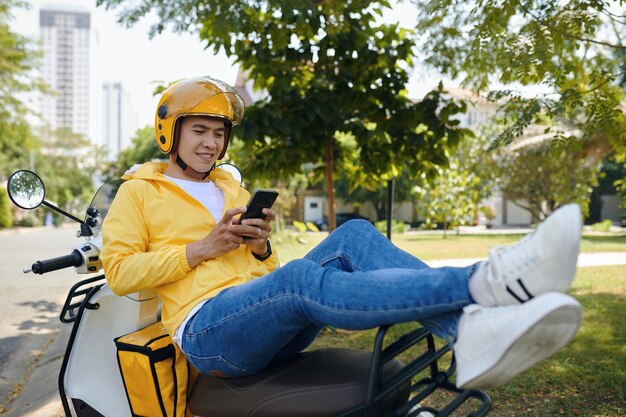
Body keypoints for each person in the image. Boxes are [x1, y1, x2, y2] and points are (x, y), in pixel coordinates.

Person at [101, 76, 583, 390]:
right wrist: (200, 249)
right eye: (200, 131)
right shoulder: (140, 192)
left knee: (352, 235)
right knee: (298, 279)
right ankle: (485, 281)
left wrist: (260, 245)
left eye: (219, 133)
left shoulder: (230, 184)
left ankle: (467, 336)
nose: (211, 143)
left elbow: (262, 269)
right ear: (171, 133)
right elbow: (120, 273)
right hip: (207, 332)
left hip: (257, 312)